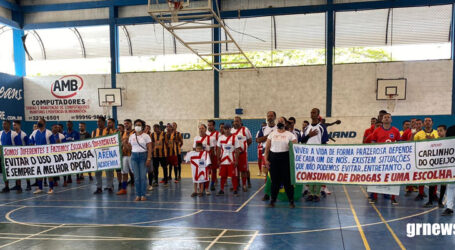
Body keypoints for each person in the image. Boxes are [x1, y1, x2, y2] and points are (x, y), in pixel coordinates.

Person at [263, 116, 297, 208]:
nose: (280, 122)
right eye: (279, 120)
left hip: (285, 158)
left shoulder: (290, 135)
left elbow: (295, 146)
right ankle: (272, 200)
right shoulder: (272, 134)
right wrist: (266, 159)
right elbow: (267, 148)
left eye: (282, 121)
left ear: (285, 123)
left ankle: (291, 201)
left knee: (287, 181)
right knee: (275, 181)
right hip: (273, 158)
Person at [368, 113, 401, 205]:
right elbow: (373, 143)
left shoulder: (396, 130)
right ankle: (374, 196)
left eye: (388, 117)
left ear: (391, 120)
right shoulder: (377, 130)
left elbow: (400, 143)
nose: (386, 119)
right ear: (382, 120)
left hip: (392, 158)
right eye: (385, 117)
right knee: (376, 176)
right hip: (379, 158)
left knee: (393, 177)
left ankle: (393, 197)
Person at [302, 108, 329, 202]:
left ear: (318, 115)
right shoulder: (306, 128)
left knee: (317, 175)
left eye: (314, 112)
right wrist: (309, 135)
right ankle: (310, 193)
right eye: (311, 112)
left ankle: (317, 194)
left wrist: (324, 155)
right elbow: (302, 140)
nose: (312, 114)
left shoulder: (322, 127)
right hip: (308, 155)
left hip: (318, 155)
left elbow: (324, 142)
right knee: (309, 175)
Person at [413, 117, 439, 206]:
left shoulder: (437, 133)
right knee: (421, 176)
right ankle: (420, 193)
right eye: (426, 121)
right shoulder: (418, 134)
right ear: (423, 123)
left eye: (429, 121)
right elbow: (414, 146)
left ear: (432, 123)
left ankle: (434, 194)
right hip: (422, 158)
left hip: (435, 158)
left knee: (435, 176)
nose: (427, 122)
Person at [29, 118, 57, 194]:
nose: (38, 123)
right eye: (38, 122)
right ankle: (40, 188)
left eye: (40, 122)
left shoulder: (49, 133)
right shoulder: (34, 133)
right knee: (39, 172)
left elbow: (53, 144)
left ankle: (51, 188)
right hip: (37, 156)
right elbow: (31, 143)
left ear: (44, 123)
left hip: (47, 156)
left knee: (48, 172)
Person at [127, 119, 152, 201]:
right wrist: (124, 144)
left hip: (143, 157)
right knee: (136, 178)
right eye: (136, 125)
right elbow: (130, 148)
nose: (137, 126)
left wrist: (148, 158)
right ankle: (138, 195)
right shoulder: (131, 136)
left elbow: (149, 148)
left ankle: (143, 195)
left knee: (143, 177)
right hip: (134, 157)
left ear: (142, 126)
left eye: (139, 125)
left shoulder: (146, 136)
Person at [256, 111, 277, 201]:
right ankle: (267, 193)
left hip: (277, 153)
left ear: (275, 117)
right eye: (268, 115)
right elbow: (258, 140)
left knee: (277, 174)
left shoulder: (278, 127)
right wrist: (268, 137)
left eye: (271, 116)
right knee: (267, 175)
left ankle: (276, 193)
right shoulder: (263, 128)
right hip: (266, 153)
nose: (270, 117)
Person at [216, 123, 241, 196]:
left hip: (231, 160)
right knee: (223, 176)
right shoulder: (220, 138)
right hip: (223, 160)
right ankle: (221, 189)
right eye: (225, 129)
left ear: (230, 129)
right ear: (223, 129)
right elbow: (218, 149)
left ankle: (235, 190)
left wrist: (236, 160)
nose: (227, 130)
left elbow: (237, 149)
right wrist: (218, 159)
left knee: (234, 176)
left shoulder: (235, 137)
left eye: (228, 128)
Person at [93, 117, 116, 194]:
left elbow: (114, 142)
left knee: (109, 172)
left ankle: (110, 187)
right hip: (98, 155)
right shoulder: (94, 131)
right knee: (97, 173)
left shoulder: (110, 131)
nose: (98, 123)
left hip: (107, 154)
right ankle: (99, 187)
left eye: (99, 121)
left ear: (103, 122)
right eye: (97, 122)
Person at [232, 117, 252, 192]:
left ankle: (244, 185)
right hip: (234, 154)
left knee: (244, 170)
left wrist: (244, 148)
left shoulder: (245, 129)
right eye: (234, 121)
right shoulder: (232, 130)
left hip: (243, 154)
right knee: (235, 170)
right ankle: (237, 185)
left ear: (240, 122)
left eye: (237, 121)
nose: (236, 123)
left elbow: (249, 140)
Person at [12, 120, 30, 192]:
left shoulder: (23, 134)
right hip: (15, 155)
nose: (14, 126)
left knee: (25, 170)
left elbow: (28, 144)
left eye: (15, 125)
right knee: (17, 170)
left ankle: (28, 185)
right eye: (13, 125)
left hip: (23, 155)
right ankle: (17, 185)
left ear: (19, 125)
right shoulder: (12, 134)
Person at [117, 119, 135, 195]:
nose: (125, 125)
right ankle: (124, 189)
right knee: (124, 173)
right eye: (124, 123)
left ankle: (139, 188)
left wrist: (125, 144)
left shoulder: (134, 133)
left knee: (135, 173)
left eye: (127, 123)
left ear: (131, 124)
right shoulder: (122, 133)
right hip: (124, 156)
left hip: (132, 155)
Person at [0, 121, 18, 193]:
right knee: (5, 172)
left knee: (16, 171)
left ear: (9, 125)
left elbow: (18, 145)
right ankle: (6, 187)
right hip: (3, 156)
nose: (3, 125)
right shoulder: (0, 133)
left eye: (5, 124)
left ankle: (18, 186)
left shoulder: (14, 134)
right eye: (3, 124)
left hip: (13, 156)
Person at [435, 125, 448, 208]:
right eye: (438, 131)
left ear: (445, 131)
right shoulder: (435, 141)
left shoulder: (449, 141)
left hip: (445, 165)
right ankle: (430, 200)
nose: (439, 132)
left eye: (441, 130)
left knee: (443, 183)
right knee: (433, 182)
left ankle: (440, 201)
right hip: (436, 164)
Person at [207, 120, 220, 191]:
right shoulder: (206, 133)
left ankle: (212, 184)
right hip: (206, 155)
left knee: (214, 170)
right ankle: (206, 183)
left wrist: (218, 155)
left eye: (210, 125)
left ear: (214, 126)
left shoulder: (218, 134)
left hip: (214, 154)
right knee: (206, 169)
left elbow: (219, 146)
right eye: (208, 125)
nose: (209, 126)